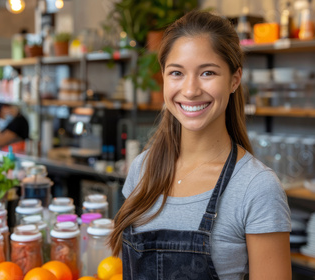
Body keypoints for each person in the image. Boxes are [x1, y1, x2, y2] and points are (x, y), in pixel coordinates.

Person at [108, 11, 291, 279]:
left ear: (234, 79)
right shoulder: (143, 169)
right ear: (164, 78)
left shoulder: (257, 188)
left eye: (207, 72)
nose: (191, 89)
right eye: (177, 73)